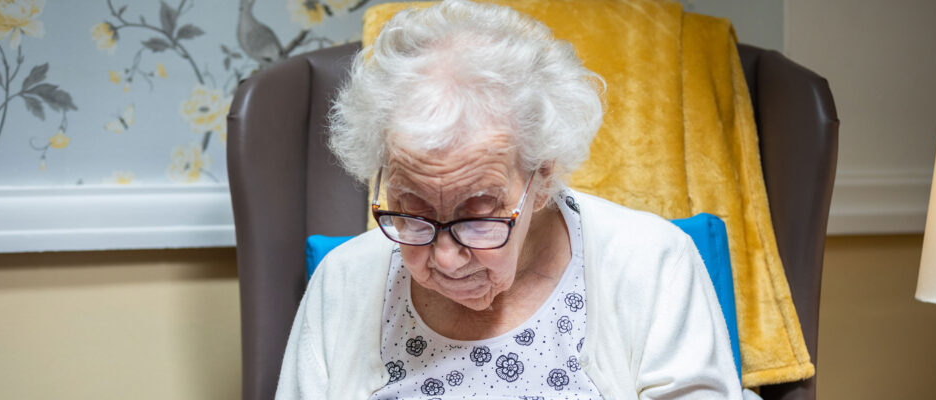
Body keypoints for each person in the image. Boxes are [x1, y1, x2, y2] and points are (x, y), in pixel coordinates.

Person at [275, 0, 741, 398]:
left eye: (477, 219)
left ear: (542, 177)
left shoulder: (653, 265)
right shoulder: (342, 282)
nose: (447, 259)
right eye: (413, 213)